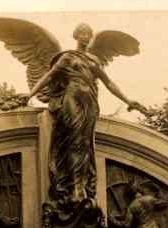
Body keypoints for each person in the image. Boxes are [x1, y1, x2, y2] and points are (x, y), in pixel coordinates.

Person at [22, 23, 144, 211]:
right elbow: (48, 77)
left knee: (86, 144)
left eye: (89, 33)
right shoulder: (67, 57)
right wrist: (29, 95)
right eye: (83, 33)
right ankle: (75, 188)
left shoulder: (93, 59)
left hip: (90, 102)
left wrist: (128, 100)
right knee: (74, 141)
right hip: (72, 99)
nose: (86, 36)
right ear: (76, 36)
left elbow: (109, 83)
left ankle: (82, 185)